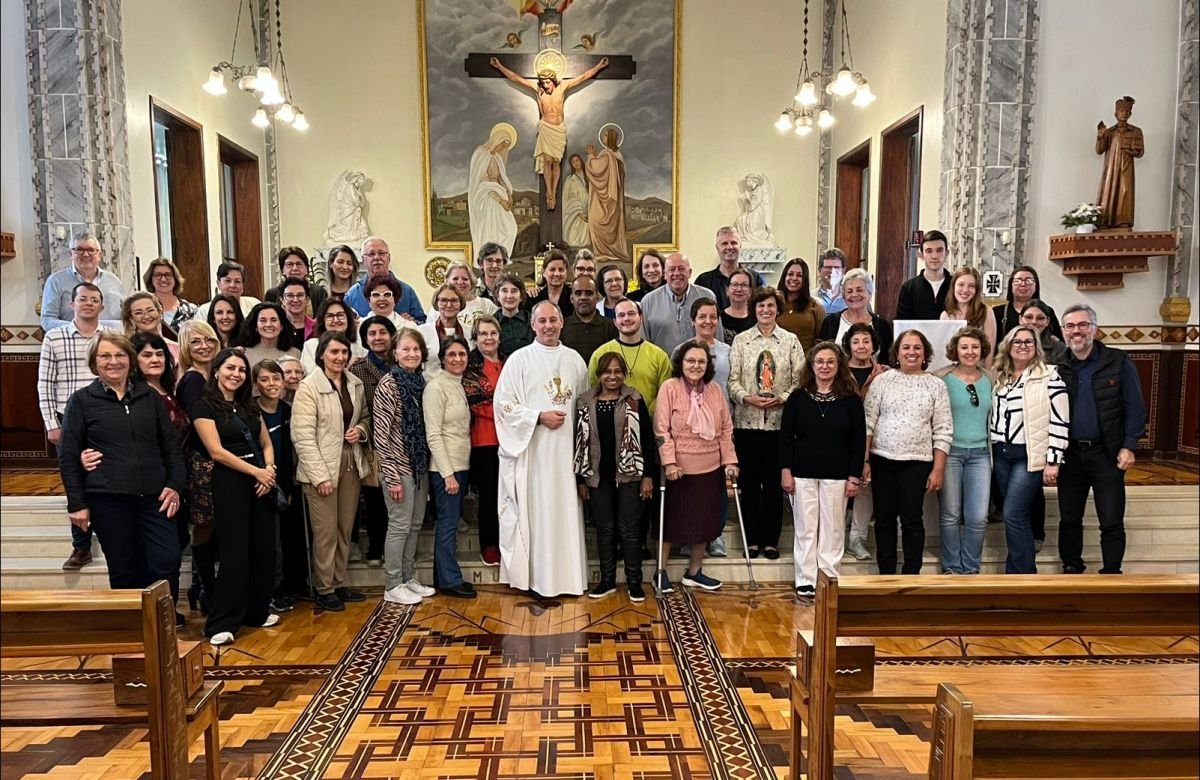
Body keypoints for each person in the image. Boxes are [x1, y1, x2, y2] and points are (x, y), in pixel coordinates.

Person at [59, 332, 185, 617]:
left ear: (130, 360)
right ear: (94, 362)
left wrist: (175, 485)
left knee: (166, 559)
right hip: (109, 499)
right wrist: (77, 504)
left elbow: (171, 446)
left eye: (119, 355)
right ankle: (133, 625)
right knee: (124, 565)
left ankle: (164, 619)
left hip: (156, 497)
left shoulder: (149, 397)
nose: (113, 361)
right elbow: (68, 455)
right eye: (105, 356)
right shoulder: (81, 401)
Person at [494, 301, 590, 598]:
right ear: (532, 325)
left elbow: (583, 408)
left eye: (553, 320)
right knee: (537, 513)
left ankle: (569, 579)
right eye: (542, 321)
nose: (548, 326)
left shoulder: (575, 360)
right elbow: (504, 404)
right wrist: (537, 417)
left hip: (565, 458)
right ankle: (536, 580)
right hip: (533, 455)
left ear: (562, 322)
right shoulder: (519, 360)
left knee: (564, 514)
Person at [189, 349, 280, 645]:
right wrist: (256, 473)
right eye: (230, 368)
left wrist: (268, 469)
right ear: (217, 370)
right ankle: (222, 622)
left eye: (241, 370)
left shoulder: (248, 406)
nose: (236, 374)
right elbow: (216, 452)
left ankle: (256, 611)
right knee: (234, 552)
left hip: (260, 481)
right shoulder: (203, 406)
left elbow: (265, 440)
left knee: (263, 549)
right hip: (228, 481)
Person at [1057, 304, 1146, 575]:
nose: (1076, 331)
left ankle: (1111, 571)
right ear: (1063, 332)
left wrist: (1129, 445)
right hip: (1070, 455)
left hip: (1107, 453)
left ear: (1094, 329)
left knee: (1111, 519)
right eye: (1070, 326)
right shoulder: (1058, 365)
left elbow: (1135, 407)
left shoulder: (1117, 361)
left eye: (1083, 325)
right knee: (1070, 517)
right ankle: (1072, 566)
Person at [38, 282, 119, 570]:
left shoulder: (111, 338)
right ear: (72, 304)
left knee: (103, 476)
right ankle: (81, 546)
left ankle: (114, 540)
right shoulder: (55, 337)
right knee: (75, 480)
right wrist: (51, 423)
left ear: (101, 306)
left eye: (94, 300)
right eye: (82, 299)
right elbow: (45, 383)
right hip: (66, 418)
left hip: (105, 417)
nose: (88, 304)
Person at [291, 332, 371, 612]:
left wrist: (360, 431)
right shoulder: (308, 387)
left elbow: (364, 417)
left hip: (350, 463)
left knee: (344, 528)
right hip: (321, 470)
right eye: (334, 352)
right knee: (324, 532)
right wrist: (320, 476)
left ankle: (338, 581)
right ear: (322, 354)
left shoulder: (355, 384)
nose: (339, 357)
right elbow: (302, 436)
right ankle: (324, 588)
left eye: (344, 352)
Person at [863, 330, 953, 574]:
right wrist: (865, 460)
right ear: (897, 352)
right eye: (906, 347)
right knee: (884, 519)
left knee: (912, 520)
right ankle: (886, 574)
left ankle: (912, 574)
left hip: (918, 463)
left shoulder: (936, 385)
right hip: (882, 460)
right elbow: (868, 421)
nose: (911, 352)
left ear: (925, 353)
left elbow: (943, 429)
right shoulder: (883, 381)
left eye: (917, 348)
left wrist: (938, 469)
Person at [780, 342, 865, 596]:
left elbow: (859, 439)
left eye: (830, 362)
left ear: (839, 366)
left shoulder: (850, 399)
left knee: (833, 529)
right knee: (805, 528)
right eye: (820, 362)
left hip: (838, 474)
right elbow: (785, 436)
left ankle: (829, 578)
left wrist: (854, 476)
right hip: (802, 472)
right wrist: (786, 470)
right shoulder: (798, 397)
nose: (825, 366)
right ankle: (805, 578)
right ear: (812, 365)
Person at [654, 340, 738, 593]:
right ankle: (660, 572)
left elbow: (725, 429)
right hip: (677, 470)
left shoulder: (714, 391)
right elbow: (661, 429)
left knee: (705, 522)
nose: (696, 366)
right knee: (670, 524)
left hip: (710, 468)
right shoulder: (669, 388)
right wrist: (669, 462)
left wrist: (730, 461)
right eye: (691, 360)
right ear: (681, 362)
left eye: (701, 361)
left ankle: (694, 572)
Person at [728, 286, 805, 559]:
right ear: (754, 309)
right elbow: (732, 380)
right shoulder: (741, 341)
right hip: (748, 422)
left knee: (774, 484)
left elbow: (800, 379)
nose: (766, 311)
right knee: (749, 484)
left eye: (770, 306)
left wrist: (783, 398)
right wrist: (747, 398)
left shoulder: (790, 341)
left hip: (779, 424)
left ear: (778, 309)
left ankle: (771, 540)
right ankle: (751, 540)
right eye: (761, 306)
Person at [575, 352, 656, 601]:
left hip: (631, 476)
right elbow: (578, 441)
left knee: (629, 530)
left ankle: (634, 582)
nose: (612, 376)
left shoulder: (634, 399)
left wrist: (648, 476)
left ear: (624, 374)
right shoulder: (585, 401)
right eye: (607, 372)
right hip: (598, 478)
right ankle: (607, 580)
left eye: (617, 371)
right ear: (599, 375)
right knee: (605, 530)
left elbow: (647, 439)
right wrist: (580, 479)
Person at [989, 327, 1070, 574]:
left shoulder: (1049, 376)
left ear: (1036, 346)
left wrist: (1053, 459)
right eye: (1017, 341)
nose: (1023, 345)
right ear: (1008, 345)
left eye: (1029, 342)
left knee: (1013, 513)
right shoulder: (999, 375)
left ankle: (1022, 573)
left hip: (1028, 454)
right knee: (1017, 515)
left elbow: (1060, 420)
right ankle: (1019, 571)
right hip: (1001, 453)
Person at [488, 56, 609, 211]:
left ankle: (554, 191)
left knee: (556, 163)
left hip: (558, 130)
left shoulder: (563, 87)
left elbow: (583, 77)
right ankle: (549, 193)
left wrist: (599, 66)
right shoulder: (539, 91)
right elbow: (516, 78)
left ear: (553, 80)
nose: (546, 85)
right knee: (547, 162)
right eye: (543, 82)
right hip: (546, 128)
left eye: (548, 82)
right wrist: (499, 67)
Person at [373, 329, 436, 605]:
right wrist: (392, 476)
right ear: (395, 353)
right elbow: (380, 436)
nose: (411, 354)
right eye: (405, 349)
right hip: (397, 468)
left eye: (415, 350)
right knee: (399, 526)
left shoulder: (420, 382)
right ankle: (392, 583)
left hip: (418, 464)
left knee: (414, 524)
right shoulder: (389, 385)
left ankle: (408, 577)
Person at [933, 327, 995, 574]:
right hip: (950, 453)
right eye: (965, 347)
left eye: (975, 347)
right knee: (950, 514)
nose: (970, 352)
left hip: (981, 453)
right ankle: (951, 567)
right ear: (955, 351)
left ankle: (970, 568)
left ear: (982, 351)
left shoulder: (991, 378)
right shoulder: (941, 378)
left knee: (978, 516)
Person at [676, 296, 733, 557]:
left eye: (713, 316)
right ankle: (690, 535)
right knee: (691, 491)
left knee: (717, 487)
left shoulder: (727, 351)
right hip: (690, 432)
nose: (708, 321)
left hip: (721, 425)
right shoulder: (680, 351)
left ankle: (716, 534)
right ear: (693, 320)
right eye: (702, 317)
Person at [423, 335, 476, 598]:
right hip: (446, 468)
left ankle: (443, 575)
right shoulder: (436, 387)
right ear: (442, 358)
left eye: (462, 354)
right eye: (452, 355)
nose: (457, 359)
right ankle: (450, 580)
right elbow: (433, 434)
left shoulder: (458, 384)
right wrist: (447, 474)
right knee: (448, 524)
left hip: (461, 463)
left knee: (451, 522)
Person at [349, 315, 399, 567]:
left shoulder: (403, 365)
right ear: (365, 339)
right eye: (372, 333)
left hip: (400, 442)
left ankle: (397, 549)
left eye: (383, 332)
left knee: (399, 497)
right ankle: (376, 545)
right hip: (371, 443)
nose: (378, 338)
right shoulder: (356, 370)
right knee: (374, 497)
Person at [252, 359, 299, 613]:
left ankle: (279, 590)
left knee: (281, 541)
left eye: (275, 379)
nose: (271, 384)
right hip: (257, 482)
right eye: (265, 379)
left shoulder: (289, 410)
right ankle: (264, 592)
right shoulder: (249, 411)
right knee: (265, 542)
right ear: (256, 384)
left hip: (283, 485)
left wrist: (288, 487)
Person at [841, 323, 888, 561]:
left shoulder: (885, 373)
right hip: (840, 438)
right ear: (848, 345)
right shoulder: (838, 371)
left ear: (874, 345)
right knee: (840, 486)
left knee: (865, 486)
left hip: (873, 438)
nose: (861, 346)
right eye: (856, 341)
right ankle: (838, 534)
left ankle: (856, 538)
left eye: (866, 341)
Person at [464, 316, 505, 567]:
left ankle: (510, 543)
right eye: (482, 334)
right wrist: (507, 412)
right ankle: (489, 545)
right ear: (475, 338)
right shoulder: (471, 366)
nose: (488, 338)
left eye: (492, 333)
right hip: (484, 439)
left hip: (512, 440)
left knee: (511, 494)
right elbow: (476, 403)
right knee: (489, 495)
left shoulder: (510, 362)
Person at [589, 298, 672, 413]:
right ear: (614, 321)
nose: (626, 318)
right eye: (621, 315)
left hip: (649, 425)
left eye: (631, 314)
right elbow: (593, 391)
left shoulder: (659, 355)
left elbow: (666, 394)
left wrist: (646, 415)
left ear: (641, 318)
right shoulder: (600, 354)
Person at [40, 232, 125, 331]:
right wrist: (81, 329)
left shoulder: (114, 281)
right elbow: (47, 320)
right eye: (79, 250)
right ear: (71, 254)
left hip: (110, 341)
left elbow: (126, 316)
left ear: (99, 255)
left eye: (91, 250)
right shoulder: (56, 281)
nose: (85, 254)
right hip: (72, 342)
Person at [643, 252, 722, 354]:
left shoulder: (707, 296)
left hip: (700, 366)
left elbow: (717, 337)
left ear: (689, 272)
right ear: (665, 274)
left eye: (681, 269)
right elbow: (644, 343)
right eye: (671, 269)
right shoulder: (648, 302)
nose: (676, 273)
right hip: (662, 368)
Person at [343, 237, 426, 322]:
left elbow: (422, 323)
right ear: (363, 260)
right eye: (371, 254)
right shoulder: (352, 294)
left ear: (389, 258)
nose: (377, 257)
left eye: (381, 253)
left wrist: (412, 322)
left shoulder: (407, 291)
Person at [818, 268, 894, 359]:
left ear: (869, 293)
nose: (854, 295)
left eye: (859, 290)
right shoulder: (830, 322)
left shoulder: (882, 326)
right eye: (849, 291)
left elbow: (889, 359)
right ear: (844, 296)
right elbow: (820, 355)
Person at [468, 123, 519, 256]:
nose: (503, 148)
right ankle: (489, 260)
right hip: (488, 198)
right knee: (490, 231)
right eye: (503, 143)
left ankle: (501, 258)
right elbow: (481, 182)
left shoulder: (497, 158)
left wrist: (509, 195)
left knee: (510, 229)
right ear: (497, 139)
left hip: (500, 195)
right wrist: (500, 200)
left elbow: (502, 179)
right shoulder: (481, 154)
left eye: (506, 146)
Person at [1095, 96, 1144, 229]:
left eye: (1127, 111)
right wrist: (1100, 137)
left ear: (1130, 114)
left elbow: (1140, 152)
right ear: (1116, 113)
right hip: (1111, 166)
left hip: (1126, 166)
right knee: (1108, 191)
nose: (1124, 113)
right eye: (1121, 111)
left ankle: (1123, 220)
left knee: (1125, 191)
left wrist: (1131, 150)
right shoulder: (1109, 132)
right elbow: (1099, 150)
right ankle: (1104, 221)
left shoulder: (1136, 131)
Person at [584, 127, 628, 260]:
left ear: (610, 138)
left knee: (595, 221)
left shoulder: (607, 155)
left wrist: (591, 155)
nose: (603, 137)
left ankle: (604, 253)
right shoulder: (616, 156)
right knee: (598, 222)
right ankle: (607, 252)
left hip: (606, 199)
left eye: (605, 135)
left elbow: (596, 170)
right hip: (612, 199)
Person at [695, 227, 765, 311]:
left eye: (734, 243)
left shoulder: (755, 279)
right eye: (724, 243)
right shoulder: (703, 281)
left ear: (740, 246)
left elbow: (762, 309)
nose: (730, 247)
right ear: (717, 248)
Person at [940, 267, 997, 367]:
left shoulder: (986, 311)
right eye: (961, 285)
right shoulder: (945, 315)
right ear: (953, 286)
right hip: (952, 371)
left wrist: (988, 375)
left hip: (978, 370)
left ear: (977, 289)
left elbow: (990, 348)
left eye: (971, 286)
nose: (965, 290)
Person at [993, 266, 1064, 342]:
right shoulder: (998, 312)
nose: (1023, 284)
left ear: (1036, 285)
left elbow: (1058, 343)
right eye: (1018, 281)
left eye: (1029, 281)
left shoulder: (1047, 311)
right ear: (1011, 285)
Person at [895, 230, 951, 320]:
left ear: (947, 253)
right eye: (929, 251)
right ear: (921, 255)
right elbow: (902, 324)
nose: (934, 256)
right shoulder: (909, 288)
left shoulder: (956, 286)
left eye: (939, 250)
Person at [560, 276, 618, 363]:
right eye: (578, 293)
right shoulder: (561, 327)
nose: (583, 297)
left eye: (589, 293)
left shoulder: (611, 327)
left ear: (597, 298)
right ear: (572, 299)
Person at [418, 284, 470, 379]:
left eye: (454, 301)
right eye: (444, 300)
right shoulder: (422, 332)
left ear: (461, 303)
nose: (449, 305)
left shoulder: (470, 331)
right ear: (436, 303)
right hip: (431, 387)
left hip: (463, 387)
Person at [302, 298, 365, 374]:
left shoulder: (359, 345)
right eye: (330, 316)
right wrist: (346, 367)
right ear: (323, 320)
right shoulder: (311, 346)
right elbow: (310, 378)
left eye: (340, 315)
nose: (336, 320)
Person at [777, 258, 825, 352]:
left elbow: (821, 340)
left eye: (799, 275)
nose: (794, 278)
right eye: (790, 274)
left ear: (805, 279)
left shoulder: (815, 306)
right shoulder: (774, 304)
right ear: (784, 277)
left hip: (806, 362)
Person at [264, 246, 329, 313]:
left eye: (299, 264)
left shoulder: (319, 292)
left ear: (306, 268)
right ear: (282, 270)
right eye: (290, 264)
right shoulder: (272, 294)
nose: (295, 268)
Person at [238, 302, 301, 367]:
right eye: (263, 320)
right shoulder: (243, 353)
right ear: (255, 326)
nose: (268, 324)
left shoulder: (295, 353)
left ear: (282, 326)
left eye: (273, 320)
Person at [121, 292, 179, 362]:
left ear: (160, 312)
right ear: (131, 319)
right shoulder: (125, 349)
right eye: (138, 313)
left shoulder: (176, 348)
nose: (146, 316)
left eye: (150, 310)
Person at [193, 261, 261, 321]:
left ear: (243, 285)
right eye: (227, 281)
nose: (232, 285)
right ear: (218, 284)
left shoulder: (254, 305)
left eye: (237, 281)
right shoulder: (204, 311)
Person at [143, 257, 197, 329]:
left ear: (175, 279)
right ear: (150, 279)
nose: (163, 279)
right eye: (158, 275)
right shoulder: (142, 309)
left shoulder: (190, 310)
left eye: (168, 275)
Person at [446, 261, 498, 333]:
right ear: (447, 281)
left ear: (471, 281)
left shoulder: (486, 305)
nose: (460, 282)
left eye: (465, 279)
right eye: (455, 279)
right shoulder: (441, 307)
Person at [525, 249, 574, 318]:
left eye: (561, 270)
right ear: (544, 272)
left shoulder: (574, 296)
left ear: (566, 273)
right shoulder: (534, 298)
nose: (557, 274)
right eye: (552, 269)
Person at [495, 272, 533, 358]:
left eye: (514, 291)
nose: (509, 296)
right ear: (497, 296)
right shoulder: (491, 323)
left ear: (521, 297)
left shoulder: (532, 320)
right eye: (504, 291)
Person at [1021, 300, 1068, 366]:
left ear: (1047, 321)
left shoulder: (1058, 348)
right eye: (1029, 317)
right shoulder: (1008, 345)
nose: (1034, 322)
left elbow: (1065, 375)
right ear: (1020, 319)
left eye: (1040, 318)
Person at [721, 267, 756, 345]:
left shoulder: (757, 318)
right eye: (735, 285)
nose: (739, 289)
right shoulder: (719, 318)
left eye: (744, 285)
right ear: (727, 290)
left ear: (750, 291)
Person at [277, 277, 317, 344]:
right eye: (290, 295)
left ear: (307, 299)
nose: (295, 300)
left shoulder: (316, 327)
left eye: (300, 295)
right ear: (282, 300)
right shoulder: (276, 327)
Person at [562, 153, 590, 248]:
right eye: (573, 162)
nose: (576, 163)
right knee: (575, 240)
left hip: (588, 209)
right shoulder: (570, 180)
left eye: (577, 160)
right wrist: (578, 212)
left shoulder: (589, 177)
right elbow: (568, 199)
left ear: (581, 161)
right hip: (575, 214)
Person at [815, 248, 848, 315]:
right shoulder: (810, 298)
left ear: (843, 270)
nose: (832, 271)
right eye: (828, 267)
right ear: (819, 270)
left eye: (836, 267)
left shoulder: (853, 298)